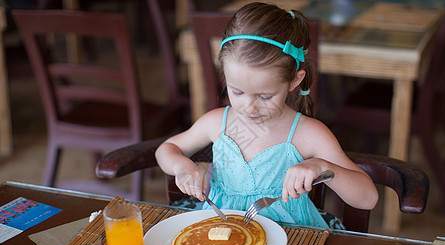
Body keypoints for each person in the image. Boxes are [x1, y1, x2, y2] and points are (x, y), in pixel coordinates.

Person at [156, 2, 378, 228]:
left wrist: (321, 167)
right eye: (237, 92)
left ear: (294, 81)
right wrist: (182, 167)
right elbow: (166, 150)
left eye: (264, 96)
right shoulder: (216, 123)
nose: (249, 107)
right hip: (222, 230)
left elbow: (368, 198)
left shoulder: (308, 134)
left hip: (293, 241)